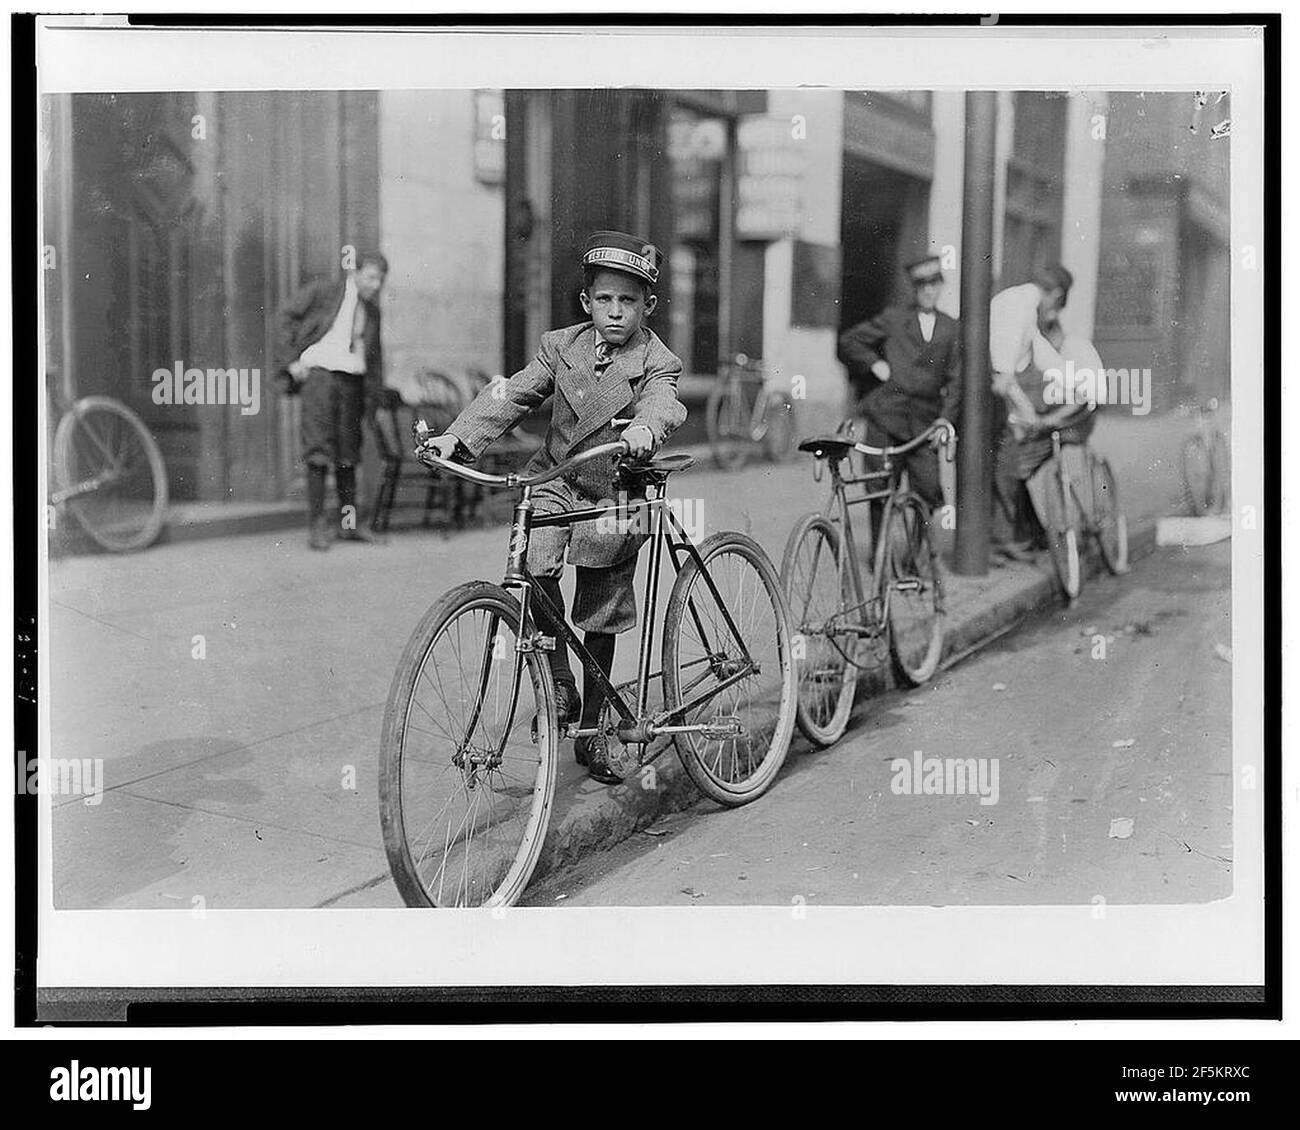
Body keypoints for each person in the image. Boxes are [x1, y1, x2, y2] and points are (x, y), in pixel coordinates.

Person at [423, 230, 686, 784]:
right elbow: (512, 393)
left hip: (616, 488)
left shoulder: (656, 359)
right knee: (533, 569)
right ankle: (560, 681)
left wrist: (645, 426)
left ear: (648, 306)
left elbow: (664, 401)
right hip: (557, 479)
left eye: (630, 302)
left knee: (599, 607)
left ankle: (592, 728)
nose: (616, 313)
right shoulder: (559, 346)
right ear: (586, 302)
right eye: (605, 300)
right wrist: (458, 438)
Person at [837, 254, 961, 539]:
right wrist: (874, 364)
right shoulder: (895, 318)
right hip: (887, 416)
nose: (928, 290)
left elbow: (957, 379)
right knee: (880, 487)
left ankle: (917, 560)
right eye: (921, 285)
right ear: (914, 288)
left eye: (934, 283)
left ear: (941, 285)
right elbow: (850, 340)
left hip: (925, 423)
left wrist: (945, 420)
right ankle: (880, 559)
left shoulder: (951, 328)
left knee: (928, 490)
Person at [275, 252, 388, 550]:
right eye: (371, 277)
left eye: (380, 280)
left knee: (348, 454)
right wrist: (290, 361)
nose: (376, 286)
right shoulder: (325, 292)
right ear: (355, 273)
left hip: (353, 383)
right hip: (321, 379)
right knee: (318, 451)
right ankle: (316, 527)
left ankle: (348, 525)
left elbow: (375, 360)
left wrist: (373, 399)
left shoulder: (373, 312)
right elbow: (286, 315)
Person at [987, 264, 1074, 562]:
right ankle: (996, 542)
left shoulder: (1024, 303)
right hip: (987, 392)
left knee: (1006, 466)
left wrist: (1072, 380)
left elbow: (1040, 352)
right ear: (1056, 295)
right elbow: (1003, 378)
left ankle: (1003, 538)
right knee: (1004, 465)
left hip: (993, 390)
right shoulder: (1019, 307)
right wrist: (1030, 414)